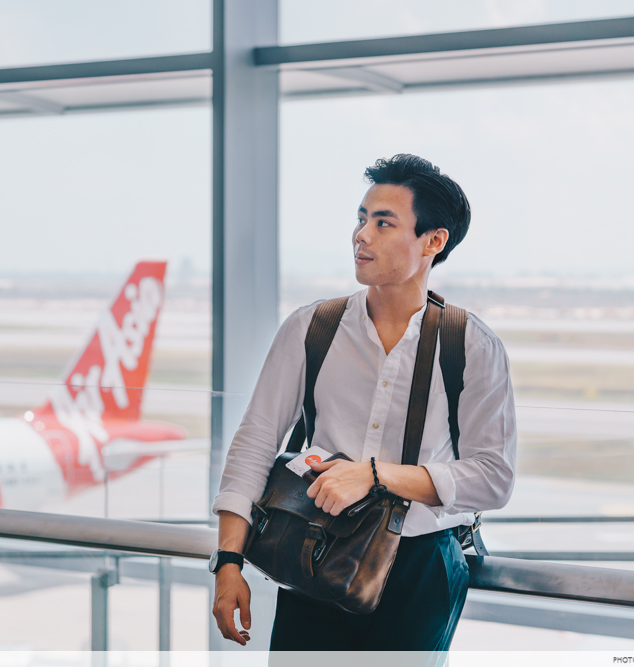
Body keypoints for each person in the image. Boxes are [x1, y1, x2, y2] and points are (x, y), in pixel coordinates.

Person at [209, 153, 517, 653]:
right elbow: (254, 446)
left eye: (383, 222)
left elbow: (494, 477)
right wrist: (227, 562)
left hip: (421, 566)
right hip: (315, 550)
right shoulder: (311, 328)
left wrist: (374, 474)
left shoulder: (473, 346)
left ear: (433, 241)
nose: (362, 235)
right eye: (360, 218)